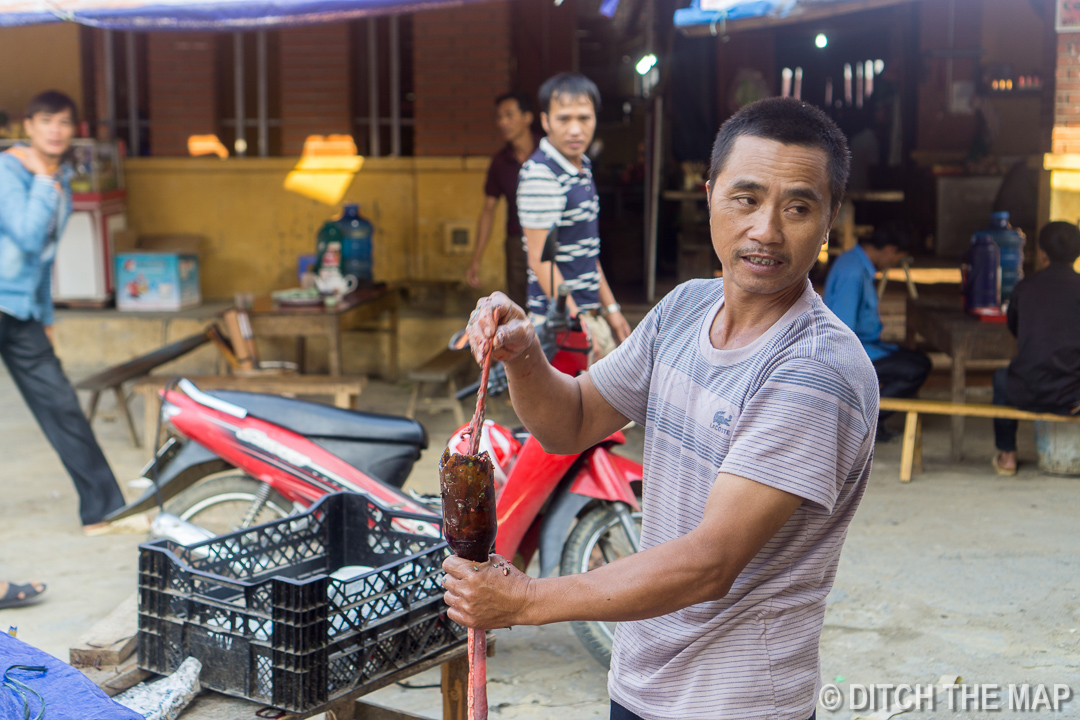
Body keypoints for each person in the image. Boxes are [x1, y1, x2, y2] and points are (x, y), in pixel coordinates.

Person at [446, 97, 879, 720]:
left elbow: (709, 563)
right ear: (710, 196)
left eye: (799, 207)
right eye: (747, 198)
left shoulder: (818, 372)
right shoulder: (684, 309)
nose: (767, 230)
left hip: (738, 703)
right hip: (644, 681)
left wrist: (527, 602)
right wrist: (524, 355)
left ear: (830, 219)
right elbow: (570, 421)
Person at [0, 90, 126, 530]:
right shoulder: (9, 171)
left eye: (65, 122)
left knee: (62, 404)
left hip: (20, 312)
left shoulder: (59, 177)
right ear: (28, 126)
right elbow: (27, 236)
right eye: (46, 120)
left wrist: (46, 317)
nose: (56, 130)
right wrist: (39, 180)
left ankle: (104, 510)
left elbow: (43, 257)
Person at [516, 72, 630, 363]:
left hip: (588, 317)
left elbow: (586, 252)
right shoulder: (542, 175)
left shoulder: (582, 168)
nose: (575, 129)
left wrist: (611, 310)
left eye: (584, 118)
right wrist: (579, 326)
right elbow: (542, 260)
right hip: (559, 327)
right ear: (545, 122)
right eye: (564, 119)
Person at [823, 223, 931, 440]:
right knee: (916, 368)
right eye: (897, 258)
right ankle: (860, 426)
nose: (894, 264)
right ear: (891, 250)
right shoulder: (852, 272)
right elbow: (844, 331)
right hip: (850, 353)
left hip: (869, 346)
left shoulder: (854, 263)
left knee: (917, 359)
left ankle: (868, 421)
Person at [991, 221, 1080, 475]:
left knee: (1001, 379)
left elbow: (1015, 329)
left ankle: (1007, 455)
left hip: (1028, 390)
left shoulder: (1025, 287)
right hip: (1074, 396)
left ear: (1042, 254)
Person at [465, 91, 538, 308]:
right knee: (520, 308)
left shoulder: (548, 153)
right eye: (499, 117)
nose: (502, 122)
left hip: (553, 239)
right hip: (517, 241)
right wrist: (476, 258)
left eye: (509, 115)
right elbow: (488, 210)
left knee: (553, 305)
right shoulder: (499, 162)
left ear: (527, 117)